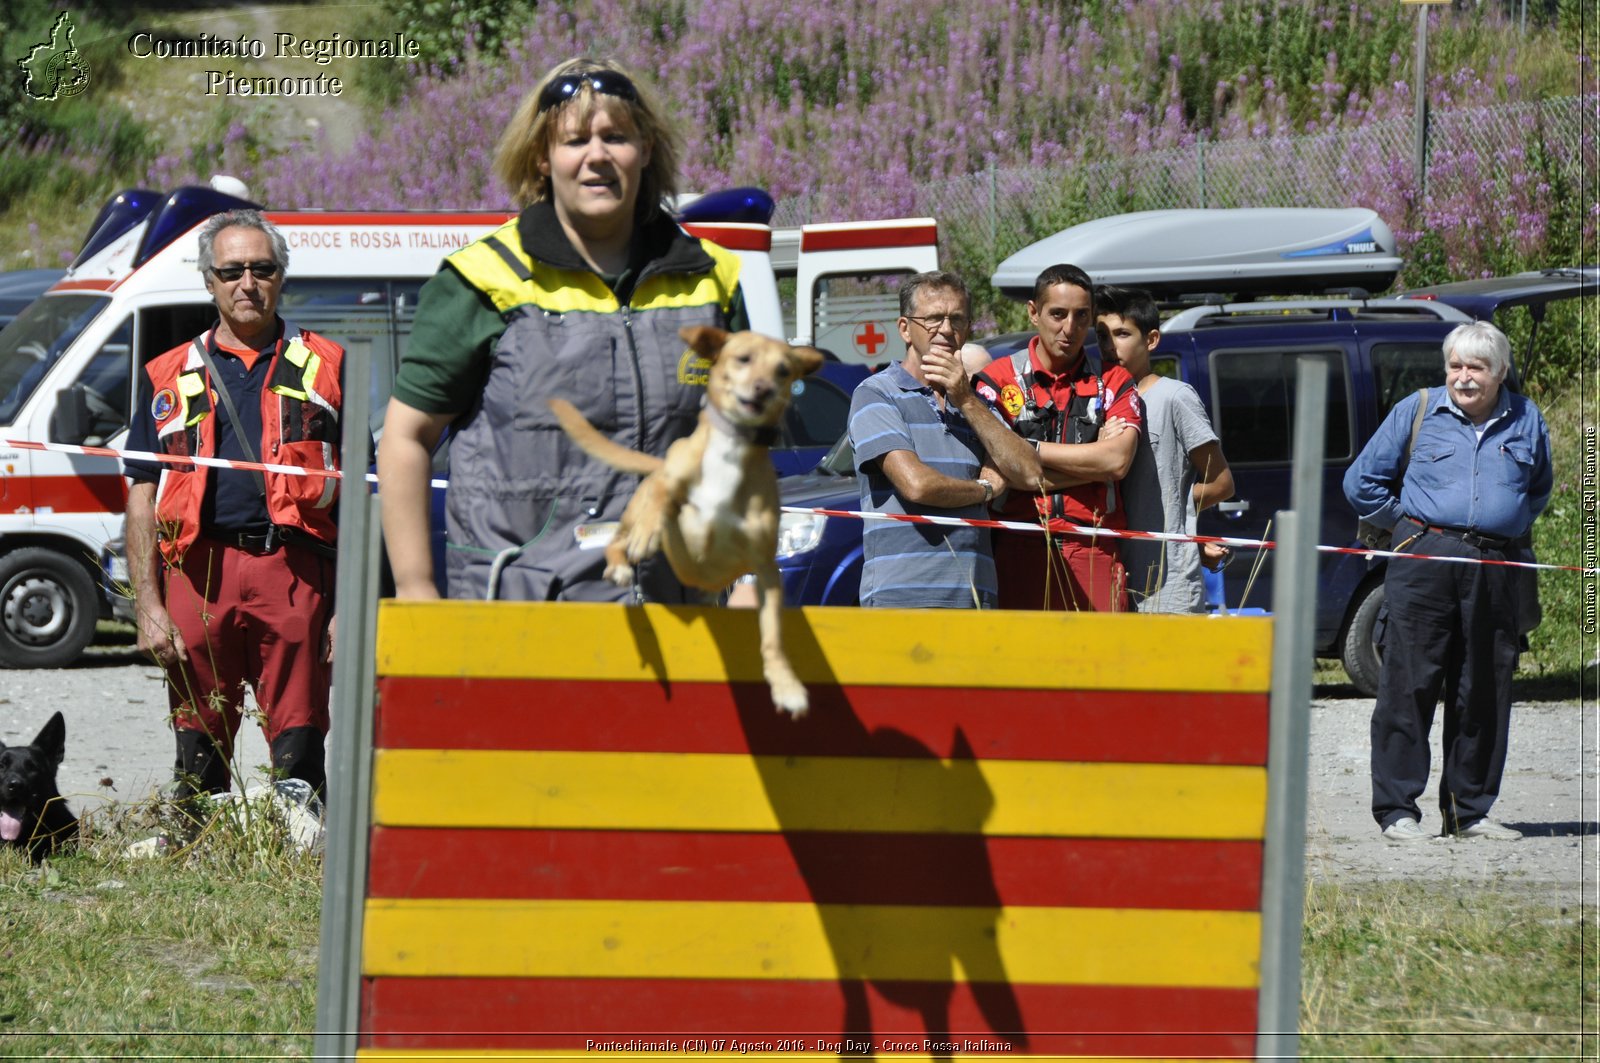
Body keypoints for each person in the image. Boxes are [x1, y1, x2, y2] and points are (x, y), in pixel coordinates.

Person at [377, 58, 747, 602]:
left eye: (616, 137)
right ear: (542, 159)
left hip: (682, 615)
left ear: (645, 150)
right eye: (575, 140)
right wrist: (414, 588)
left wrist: (750, 578)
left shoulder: (714, 280)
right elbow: (406, 437)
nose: (597, 156)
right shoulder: (482, 281)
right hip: (519, 621)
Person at [124, 209, 342, 800]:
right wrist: (147, 602)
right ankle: (203, 845)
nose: (248, 283)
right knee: (199, 730)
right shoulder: (168, 373)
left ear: (281, 276)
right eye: (232, 271)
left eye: (262, 268)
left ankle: (296, 854)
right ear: (209, 281)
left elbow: (361, 491)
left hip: (293, 572)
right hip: (198, 573)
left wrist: (350, 604)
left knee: (300, 729)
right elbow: (143, 493)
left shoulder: (329, 365)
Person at [1343, 320, 1552, 843]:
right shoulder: (1417, 410)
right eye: (1456, 366)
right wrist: (1407, 528)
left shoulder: (1528, 419)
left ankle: (1469, 812)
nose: (1464, 377)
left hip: (1495, 564)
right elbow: (1360, 482)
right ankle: (1397, 811)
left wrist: (1506, 525)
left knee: (1483, 687)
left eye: (1476, 368)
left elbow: (1539, 489)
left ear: (1500, 372)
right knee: (1407, 683)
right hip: (1423, 559)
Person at [848, 271, 1040, 608]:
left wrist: (965, 399)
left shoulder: (975, 400)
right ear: (905, 328)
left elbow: (1029, 473)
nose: (947, 330)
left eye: (957, 319)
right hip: (903, 601)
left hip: (975, 600)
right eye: (934, 318)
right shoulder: (877, 393)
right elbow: (917, 485)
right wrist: (985, 489)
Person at [973, 264, 1142, 611]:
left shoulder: (1114, 381)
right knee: (1021, 665)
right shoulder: (995, 380)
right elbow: (1000, 473)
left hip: (1094, 548)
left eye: (1081, 316)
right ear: (1033, 313)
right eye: (1058, 314)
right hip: (1015, 549)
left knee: (1097, 663)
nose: (1070, 328)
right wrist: (1092, 464)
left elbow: (1117, 461)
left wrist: (1027, 449)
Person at [1094, 285, 1234, 613]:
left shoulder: (1175, 396)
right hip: (1109, 574)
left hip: (1168, 584)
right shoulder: (1096, 403)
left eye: (1122, 334)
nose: (1110, 346)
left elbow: (1222, 483)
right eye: (1102, 335)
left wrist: (1175, 511)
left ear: (1151, 339)